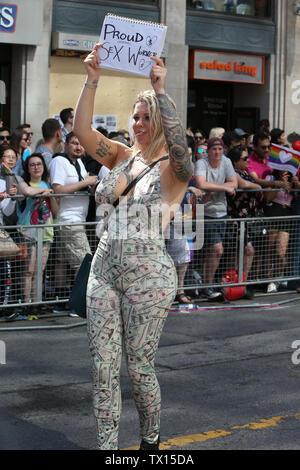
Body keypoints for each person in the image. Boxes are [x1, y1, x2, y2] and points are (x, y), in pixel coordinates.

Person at [73, 44, 192, 450]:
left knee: (139, 368)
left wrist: (159, 90)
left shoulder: (172, 169)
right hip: (104, 268)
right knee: (102, 368)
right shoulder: (120, 156)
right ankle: (106, 451)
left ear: (160, 118)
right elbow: (82, 133)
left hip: (149, 277)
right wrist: (92, 79)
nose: (139, 123)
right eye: (135, 117)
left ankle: (149, 444)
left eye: (147, 118)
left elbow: (183, 155)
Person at [49, 132, 97, 314]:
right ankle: (77, 305)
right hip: (69, 220)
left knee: (62, 262)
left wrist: (90, 186)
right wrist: (84, 182)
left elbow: (81, 185)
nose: (78, 147)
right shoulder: (59, 161)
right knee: (83, 261)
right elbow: (57, 190)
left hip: (75, 219)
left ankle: (61, 302)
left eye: (81, 144)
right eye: (74, 143)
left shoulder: (79, 163)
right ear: (66, 145)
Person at [194, 137, 238, 300]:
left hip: (221, 212)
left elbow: (234, 183)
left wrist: (225, 186)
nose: (217, 152)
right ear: (209, 151)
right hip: (204, 212)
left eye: (220, 149)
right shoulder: (202, 163)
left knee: (212, 252)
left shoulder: (226, 162)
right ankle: (206, 285)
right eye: (214, 149)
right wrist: (225, 187)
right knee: (216, 249)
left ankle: (206, 285)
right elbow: (201, 184)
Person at [17, 153, 59, 315]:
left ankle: (37, 301)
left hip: (46, 232)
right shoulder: (23, 183)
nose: (36, 167)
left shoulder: (48, 184)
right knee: (29, 269)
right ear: (27, 168)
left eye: (39, 164)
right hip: (28, 232)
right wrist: (43, 191)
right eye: (32, 165)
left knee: (40, 270)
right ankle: (26, 302)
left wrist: (52, 196)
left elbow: (55, 210)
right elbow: (27, 192)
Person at [226, 146, 262, 280]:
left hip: (247, 219)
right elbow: (243, 185)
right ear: (235, 161)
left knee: (241, 252)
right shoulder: (232, 173)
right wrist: (257, 186)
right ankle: (233, 282)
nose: (248, 161)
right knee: (242, 250)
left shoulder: (246, 173)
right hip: (235, 218)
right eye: (245, 158)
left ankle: (240, 282)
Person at [264, 169, 294, 293]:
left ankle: (277, 278)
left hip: (286, 213)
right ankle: (269, 280)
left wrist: (294, 183)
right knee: (269, 250)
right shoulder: (270, 179)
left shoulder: (293, 180)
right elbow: (267, 198)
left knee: (280, 253)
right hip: (273, 211)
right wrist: (279, 183)